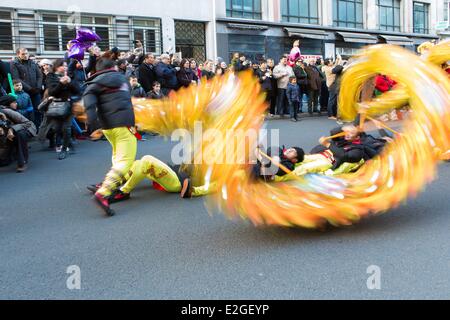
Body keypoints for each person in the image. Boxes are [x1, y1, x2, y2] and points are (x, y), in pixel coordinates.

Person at [83, 55, 138, 216]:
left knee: (117, 155)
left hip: (107, 126)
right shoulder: (122, 79)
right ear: (113, 67)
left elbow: (89, 99)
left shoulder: (95, 82)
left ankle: (110, 182)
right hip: (124, 124)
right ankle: (104, 192)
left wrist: (92, 124)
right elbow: (128, 98)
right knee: (125, 161)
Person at [107, 155, 215, 203]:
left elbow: (213, 186)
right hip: (174, 172)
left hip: (177, 182)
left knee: (146, 161)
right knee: (141, 161)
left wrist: (193, 191)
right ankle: (113, 183)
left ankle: (123, 191)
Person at [39, 59, 80, 160]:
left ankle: (64, 149)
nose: (65, 68)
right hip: (55, 106)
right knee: (57, 129)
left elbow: (77, 90)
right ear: (57, 67)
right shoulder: (51, 76)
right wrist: (61, 83)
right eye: (63, 66)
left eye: (66, 66)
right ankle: (69, 143)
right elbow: (52, 92)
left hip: (68, 105)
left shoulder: (69, 75)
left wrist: (69, 82)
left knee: (66, 128)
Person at [0, 97, 37, 172]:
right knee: (4, 160)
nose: (16, 104)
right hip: (7, 136)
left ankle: (22, 162)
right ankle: (11, 157)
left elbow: (28, 123)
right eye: (14, 102)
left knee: (20, 134)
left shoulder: (7, 111)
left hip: (26, 130)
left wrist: (12, 129)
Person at [10, 48, 43, 128]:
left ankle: (37, 128)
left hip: (36, 91)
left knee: (38, 110)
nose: (25, 55)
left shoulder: (32, 63)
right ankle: (28, 129)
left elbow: (39, 76)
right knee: (26, 112)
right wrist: (30, 89)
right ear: (18, 54)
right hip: (24, 92)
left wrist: (38, 87)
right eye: (23, 54)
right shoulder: (14, 63)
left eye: (26, 53)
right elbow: (16, 78)